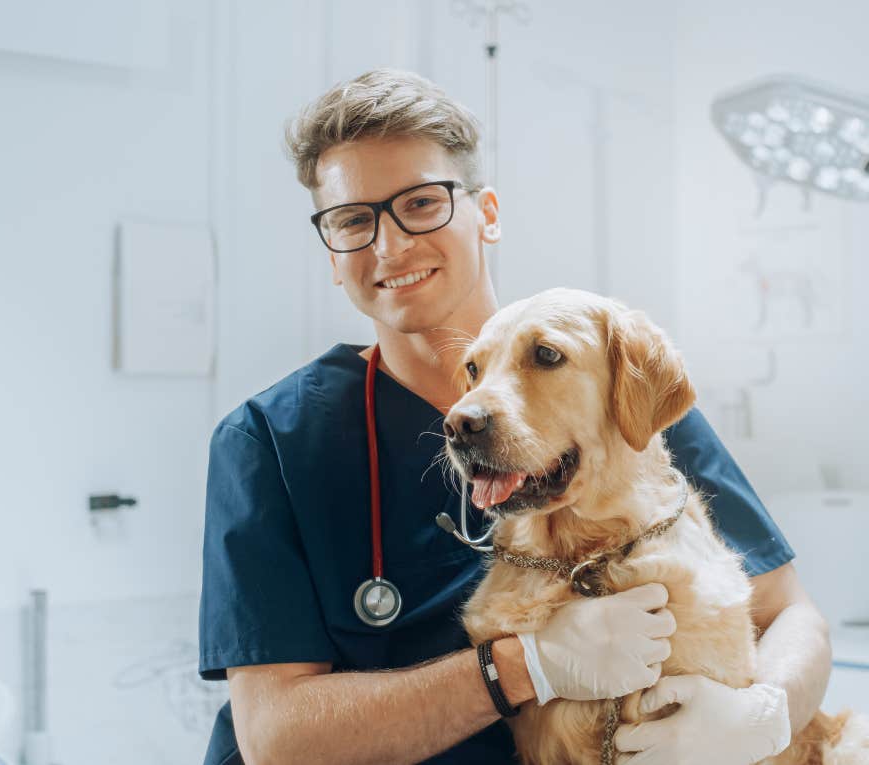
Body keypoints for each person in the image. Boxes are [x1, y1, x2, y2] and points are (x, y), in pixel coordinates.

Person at [197, 68, 832, 765]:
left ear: (487, 212)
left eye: (420, 203)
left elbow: (790, 612)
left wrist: (763, 716)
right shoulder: (269, 442)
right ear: (332, 251)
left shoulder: (614, 390)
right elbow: (276, 739)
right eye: (353, 220)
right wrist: (525, 665)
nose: (390, 247)